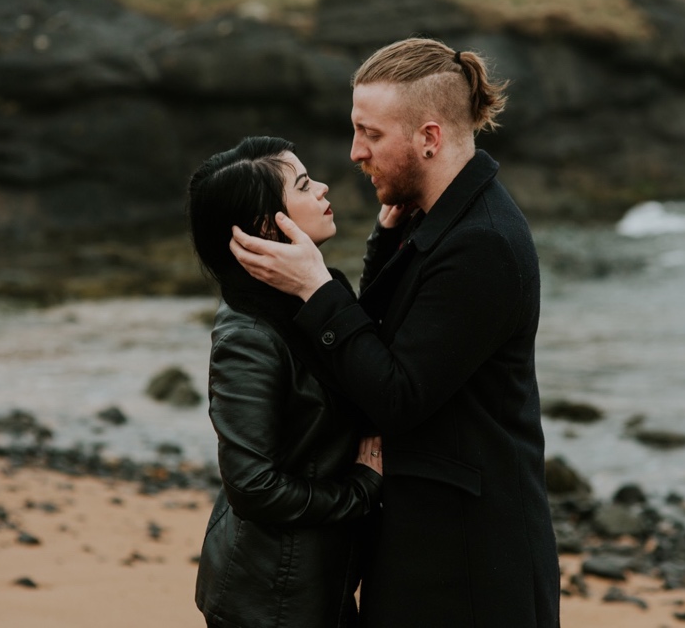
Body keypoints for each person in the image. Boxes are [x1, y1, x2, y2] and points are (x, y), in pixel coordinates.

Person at [230, 38, 560, 627]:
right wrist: (382, 248)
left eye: (371, 134)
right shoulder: (436, 220)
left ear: (428, 138)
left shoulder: (482, 242)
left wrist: (315, 288)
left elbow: (396, 396)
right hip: (429, 546)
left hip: (469, 568)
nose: (355, 152)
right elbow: (388, 337)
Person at [188, 136, 386, 628]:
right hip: (271, 600)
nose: (322, 187)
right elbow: (252, 486)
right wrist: (360, 491)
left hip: (308, 584)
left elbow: (363, 350)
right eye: (302, 184)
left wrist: (384, 241)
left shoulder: (306, 295)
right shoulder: (247, 335)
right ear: (264, 226)